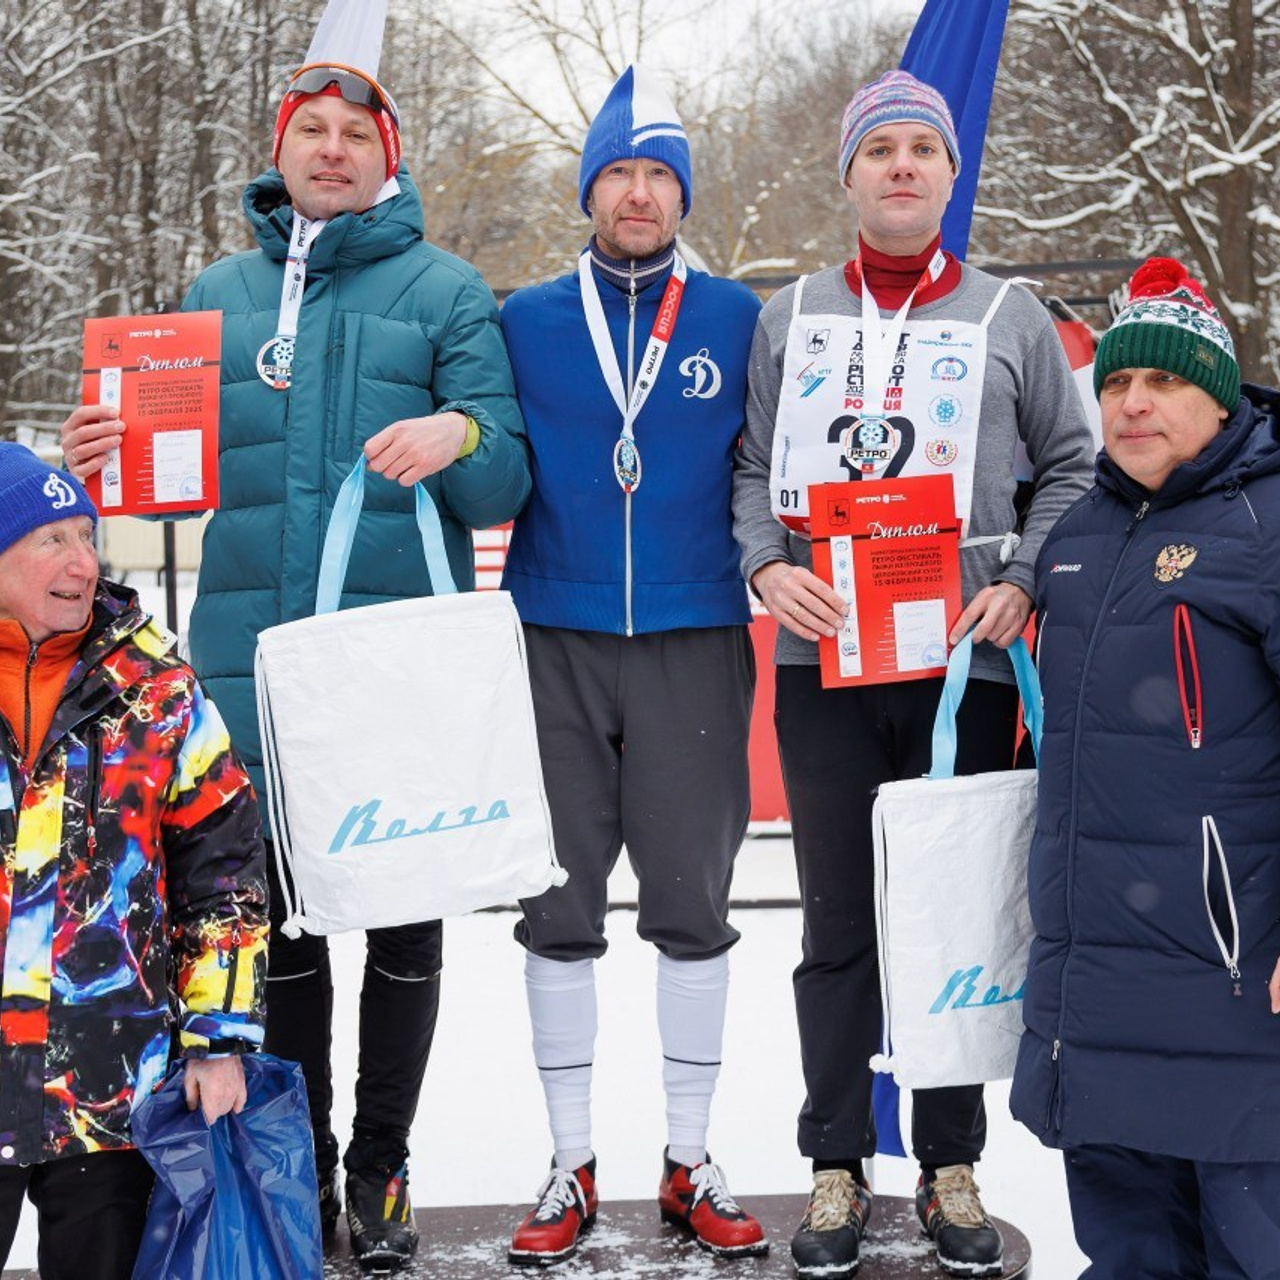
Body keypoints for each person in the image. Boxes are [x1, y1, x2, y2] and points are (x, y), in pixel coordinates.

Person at [58, 36, 530, 1276]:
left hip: (393, 666)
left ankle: (381, 1164)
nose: (332, 151)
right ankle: (306, 1161)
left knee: (405, 932)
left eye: (355, 136)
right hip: (247, 669)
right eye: (310, 133)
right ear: (280, 154)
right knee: (283, 939)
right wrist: (98, 457)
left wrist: (455, 429)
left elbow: (505, 474)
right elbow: (169, 492)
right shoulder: (213, 293)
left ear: (387, 159)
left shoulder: (444, 290)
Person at [731, 69, 1095, 1279]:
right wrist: (763, 568)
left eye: (919, 151)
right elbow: (746, 468)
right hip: (822, 656)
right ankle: (834, 1160)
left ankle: (948, 1159)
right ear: (846, 175)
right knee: (835, 922)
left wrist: (1026, 579)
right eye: (877, 148)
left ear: (948, 175)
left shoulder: (1008, 315)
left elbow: (1070, 467)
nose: (898, 167)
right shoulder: (788, 316)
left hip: (961, 667)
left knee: (947, 921)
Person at [498, 65, 767, 1266]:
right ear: (588, 189)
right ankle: (568, 1157)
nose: (640, 192)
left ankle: (688, 1153)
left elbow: (778, 469)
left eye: (660, 173)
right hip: (548, 635)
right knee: (555, 908)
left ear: (684, 194)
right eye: (620, 172)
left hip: (692, 635)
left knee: (692, 908)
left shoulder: (738, 319)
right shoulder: (524, 318)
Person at [1010, 257, 1280, 1278]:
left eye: (1162, 382)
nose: (1131, 404)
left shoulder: (1262, 523)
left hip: (1229, 973)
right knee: (1126, 1248)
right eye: (1116, 383)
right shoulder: (1076, 532)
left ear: (1216, 396)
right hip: (1097, 978)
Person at [0, 444, 268, 1280]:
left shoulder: (157, 687)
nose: (84, 562)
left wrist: (219, 1037)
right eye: (51, 540)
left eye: (87, 535)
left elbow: (225, 874)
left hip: (109, 1091)